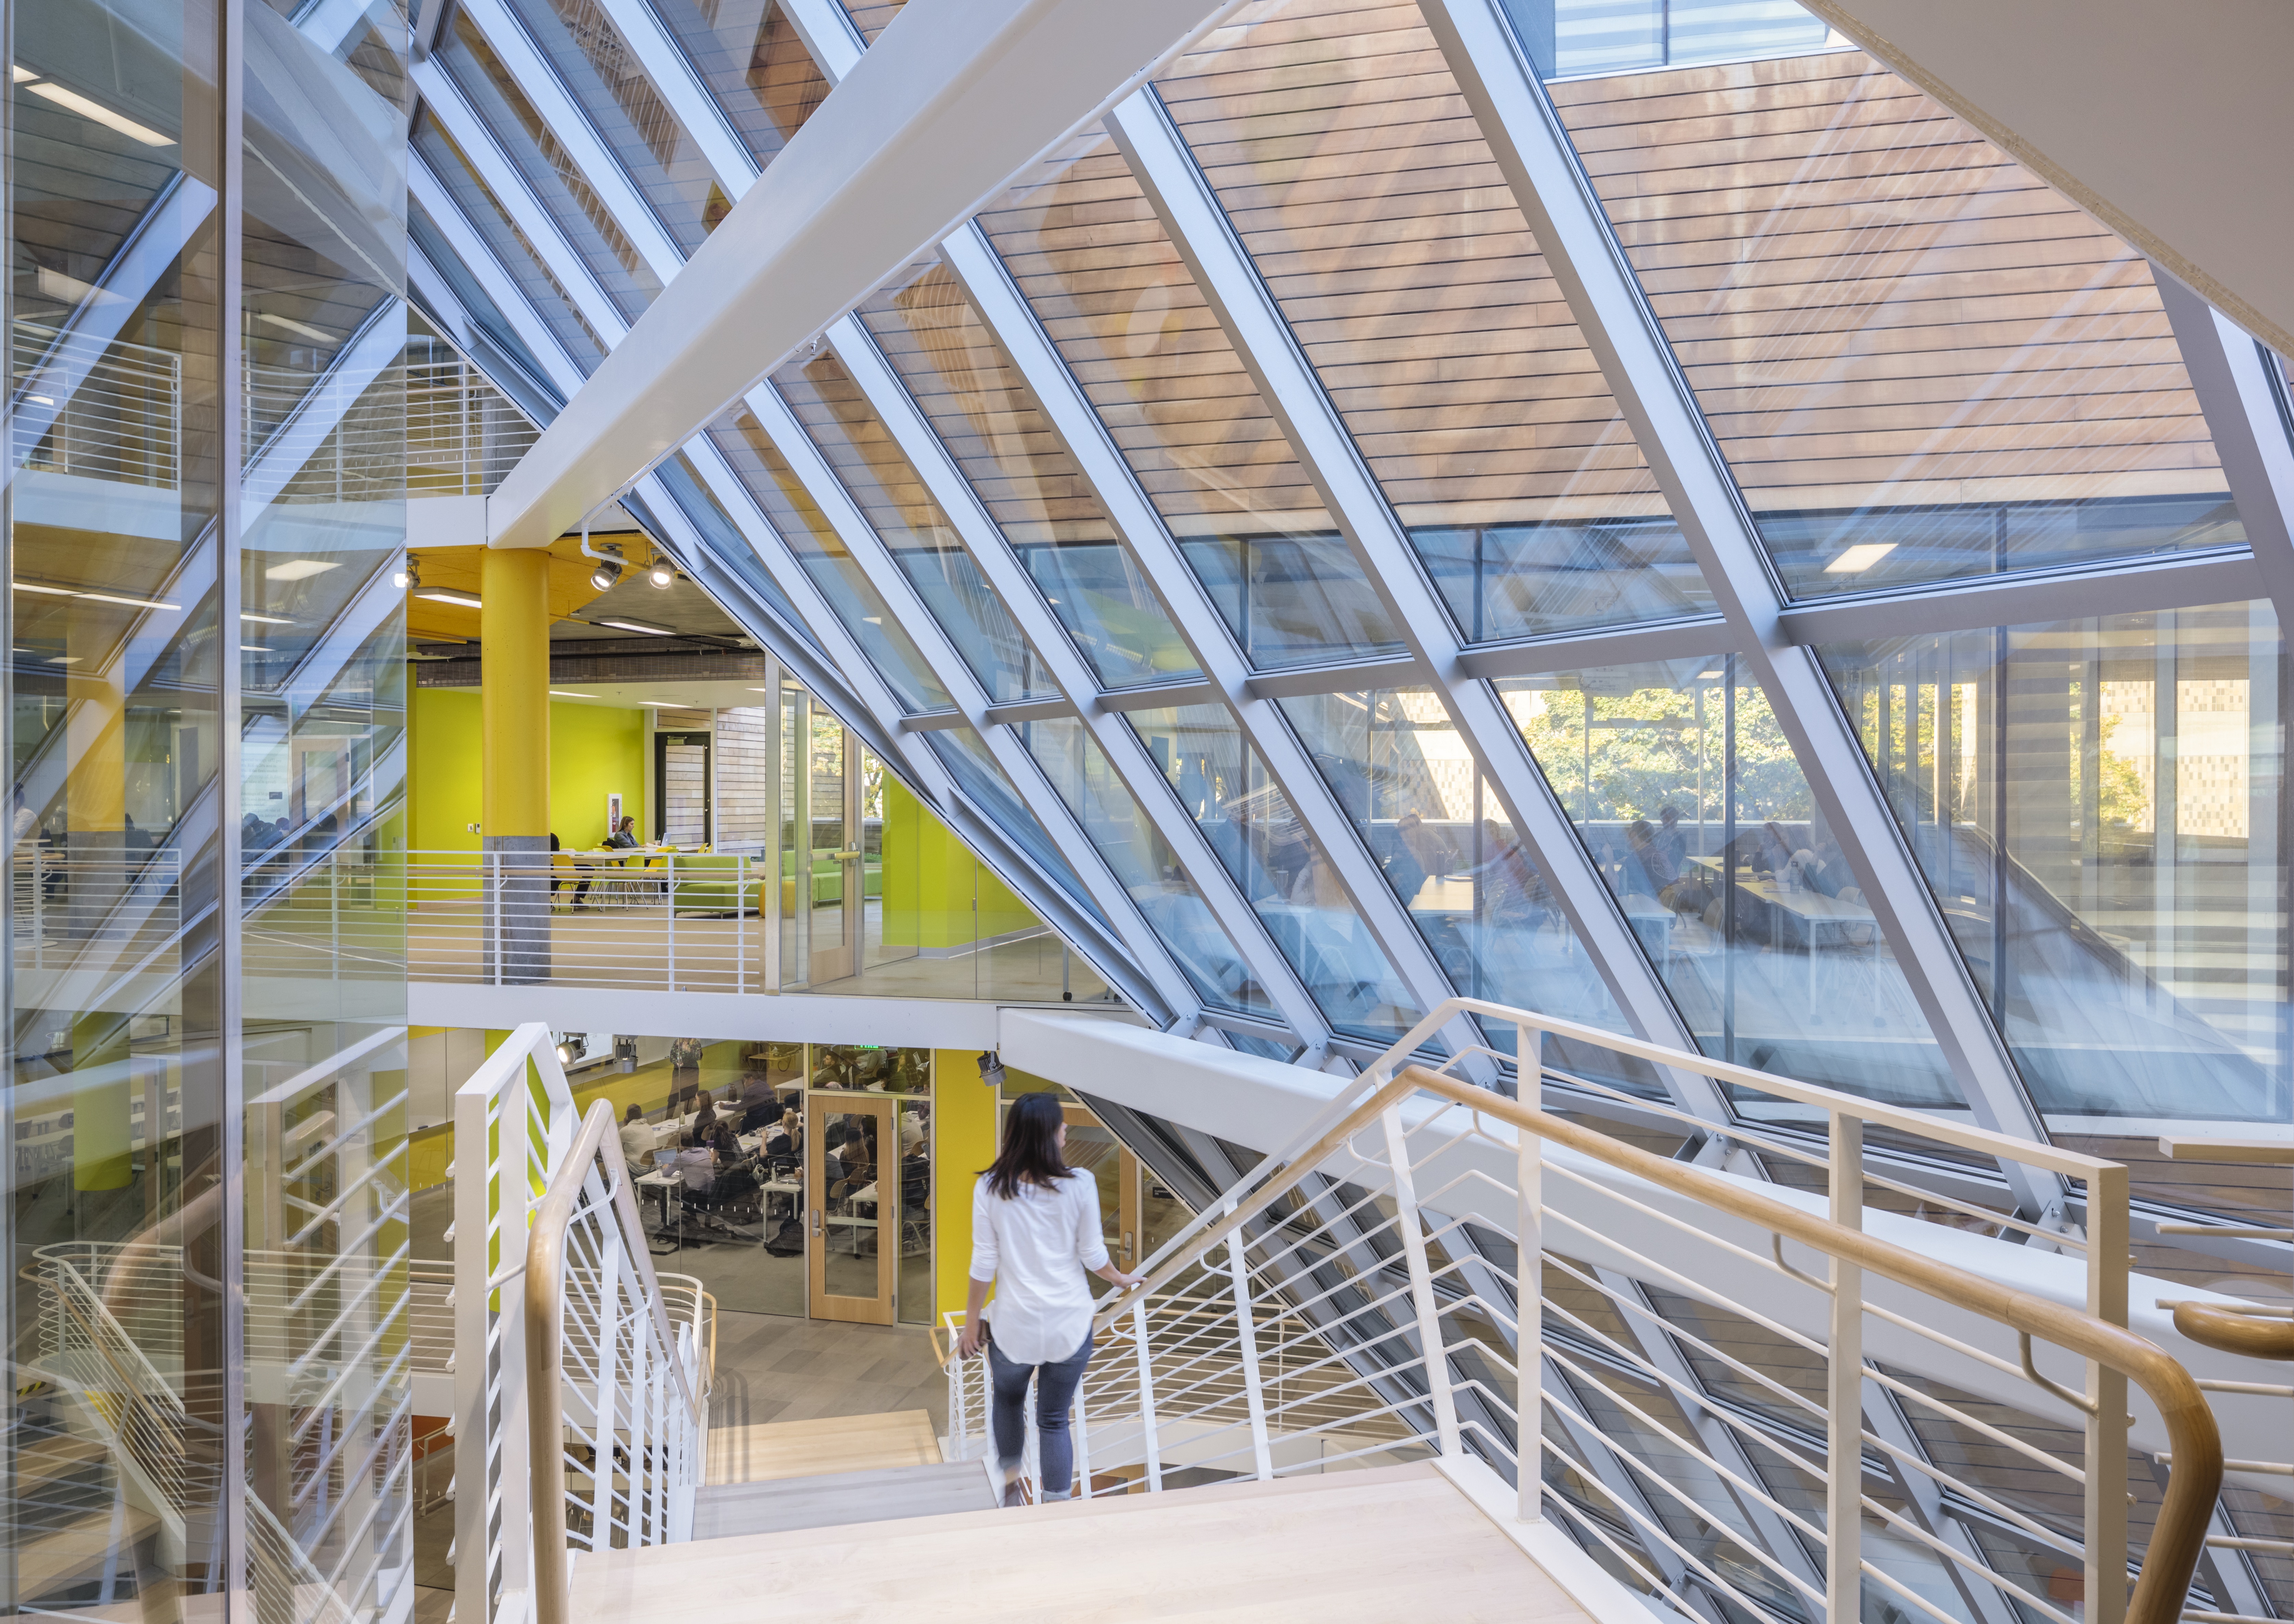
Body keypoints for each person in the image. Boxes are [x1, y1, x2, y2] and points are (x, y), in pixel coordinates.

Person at [955, 1093, 1143, 1506]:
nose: (1065, 1131)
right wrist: (1121, 1278)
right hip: (1069, 1325)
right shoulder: (1080, 1183)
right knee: (1054, 1421)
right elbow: (1094, 1256)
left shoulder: (989, 1187)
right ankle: (1056, 1507)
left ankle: (1009, 1489)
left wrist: (972, 1323)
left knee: (1008, 1401)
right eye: (1061, 1125)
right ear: (1048, 1134)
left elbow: (983, 1261)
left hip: (1012, 1326)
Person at [617, 1102, 654, 1172]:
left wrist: (625, 1126)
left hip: (638, 1169)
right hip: (653, 1167)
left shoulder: (626, 1131)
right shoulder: (649, 1127)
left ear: (627, 1117)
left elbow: (617, 1150)